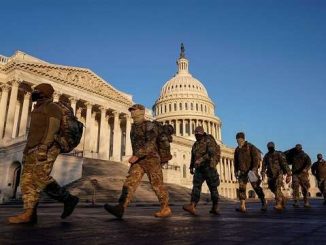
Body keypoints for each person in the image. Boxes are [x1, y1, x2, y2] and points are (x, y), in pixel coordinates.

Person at [8, 83, 79, 224]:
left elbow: (53, 127)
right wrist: (27, 149)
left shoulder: (52, 107)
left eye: (37, 91)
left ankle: (68, 199)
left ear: (44, 93)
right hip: (31, 149)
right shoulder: (37, 108)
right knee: (26, 181)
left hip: (46, 147)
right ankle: (29, 213)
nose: (34, 92)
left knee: (40, 177)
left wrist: (44, 146)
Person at [104, 104, 171, 218]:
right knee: (130, 182)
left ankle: (165, 208)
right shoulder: (134, 127)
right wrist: (137, 156)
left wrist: (137, 155)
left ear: (141, 111)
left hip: (151, 159)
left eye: (134, 110)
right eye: (131, 110)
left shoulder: (149, 125)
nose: (132, 112)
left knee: (157, 184)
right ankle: (121, 207)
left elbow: (151, 143)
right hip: (139, 161)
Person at [183, 126, 221, 215]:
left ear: (202, 133)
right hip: (199, 168)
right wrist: (191, 167)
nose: (197, 136)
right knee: (196, 186)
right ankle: (192, 205)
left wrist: (201, 159)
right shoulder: (196, 144)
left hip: (209, 167)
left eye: (198, 134)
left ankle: (215, 206)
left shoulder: (209, 140)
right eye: (196, 135)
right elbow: (193, 156)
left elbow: (211, 152)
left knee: (213, 187)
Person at [234, 132, 267, 212]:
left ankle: (263, 202)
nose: (238, 141)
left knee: (256, 187)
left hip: (251, 171)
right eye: (237, 140)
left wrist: (254, 168)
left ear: (243, 139)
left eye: (239, 139)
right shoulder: (237, 149)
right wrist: (235, 170)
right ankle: (242, 205)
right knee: (241, 188)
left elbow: (256, 158)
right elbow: (235, 161)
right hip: (242, 171)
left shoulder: (251, 147)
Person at [261, 142, 292, 211]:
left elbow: (284, 164)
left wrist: (289, 174)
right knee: (272, 188)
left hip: (279, 173)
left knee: (277, 187)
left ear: (274, 147)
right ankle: (283, 198)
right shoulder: (266, 156)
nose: (270, 148)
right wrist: (263, 172)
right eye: (269, 147)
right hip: (270, 174)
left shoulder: (278, 154)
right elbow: (264, 165)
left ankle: (278, 203)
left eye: (271, 147)